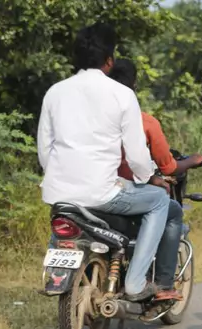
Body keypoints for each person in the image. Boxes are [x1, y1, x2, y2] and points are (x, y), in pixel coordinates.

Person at [37, 22, 174, 302]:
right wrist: (151, 178)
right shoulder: (122, 94)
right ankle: (136, 282)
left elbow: (44, 148)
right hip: (102, 193)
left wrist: (59, 177)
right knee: (159, 201)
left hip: (58, 193)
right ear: (109, 60)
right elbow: (137, 156)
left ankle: (58, 272)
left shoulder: (55, 92)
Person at [107, 58, 202, 299]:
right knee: (170, 209)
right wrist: (191, 161)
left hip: (83, 189)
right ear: (134, 85)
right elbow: (166, 166)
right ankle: (162, 283)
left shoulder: (91, 117)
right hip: (120, 192)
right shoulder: (143, 122)